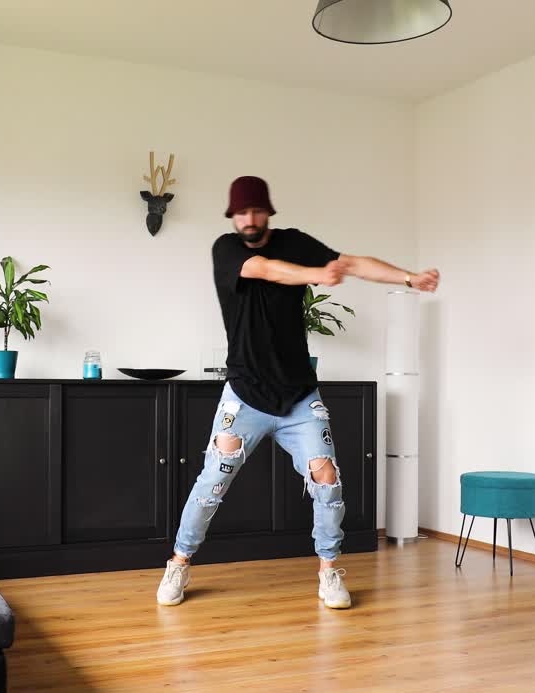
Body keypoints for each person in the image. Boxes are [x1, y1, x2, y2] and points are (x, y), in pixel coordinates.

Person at [156, 175, 439, 609]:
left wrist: (408, 277)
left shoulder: (294, 241)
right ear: (233, 216)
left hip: (299, 396)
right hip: (245, 393)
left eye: (256, 211)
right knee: (213, 479)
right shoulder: (226, 250)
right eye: (241, 213)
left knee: (327, 476)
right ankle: (179, 562)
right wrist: (317, 275)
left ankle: (329, 571)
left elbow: (352, 263)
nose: (249, 219)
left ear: (268, 210)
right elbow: (264, 269)